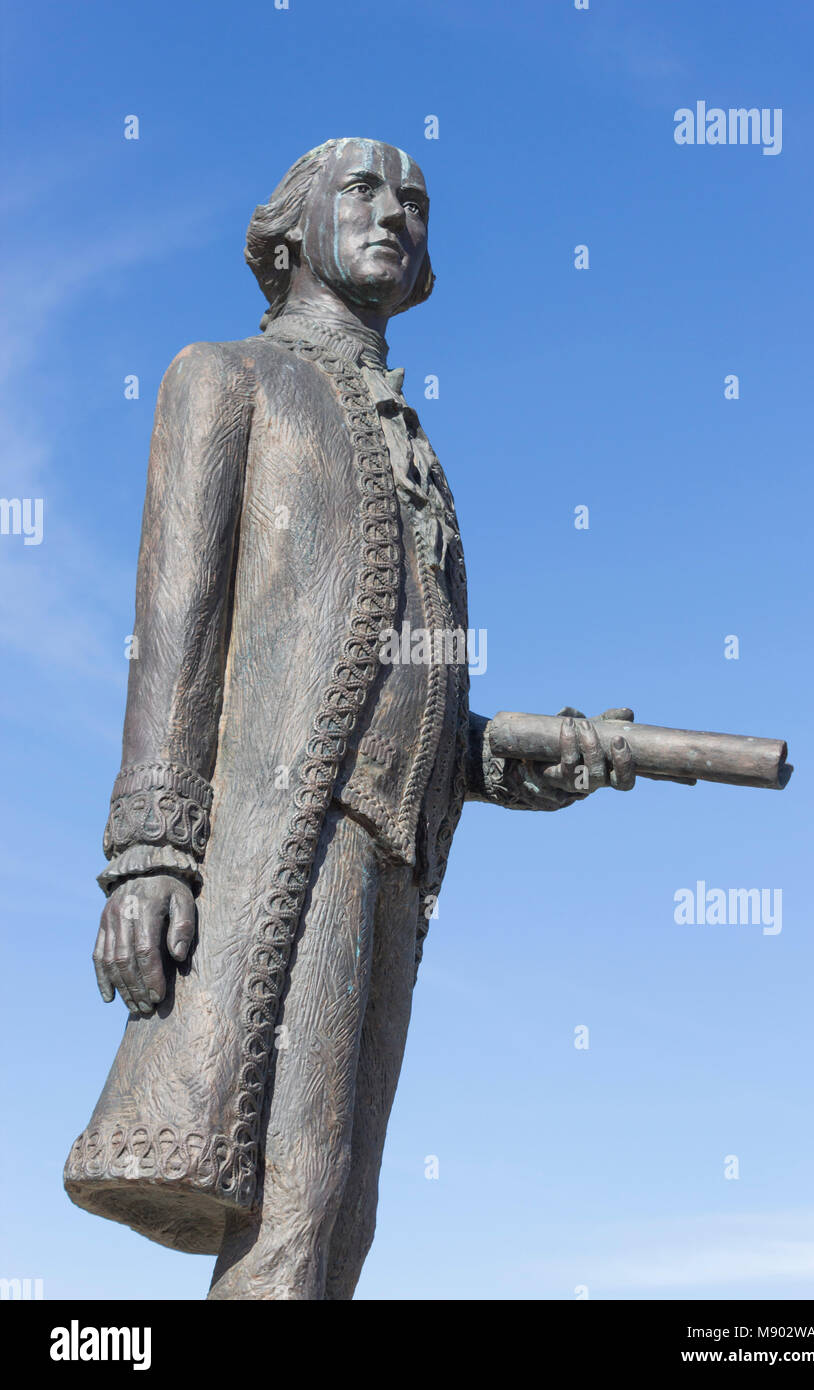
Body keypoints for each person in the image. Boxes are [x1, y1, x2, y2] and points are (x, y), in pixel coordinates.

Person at [64, 138, 635, 1299]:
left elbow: (403, 696)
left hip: (389, 848)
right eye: (362, 190)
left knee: (337, 1212)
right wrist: (149, 855)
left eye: (415, 199)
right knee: (285, 1198)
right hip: (287, 839)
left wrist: (507, 758)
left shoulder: (419, 454)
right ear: (290, 230)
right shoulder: (222, 378)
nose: (394, 212)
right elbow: (175, 636)